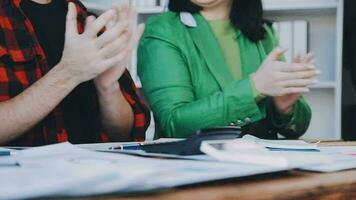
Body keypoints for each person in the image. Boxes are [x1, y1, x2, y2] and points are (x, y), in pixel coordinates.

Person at [138, 0, 318, 139]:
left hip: (259, 171)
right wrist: (254, 88)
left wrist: (284, 107)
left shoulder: (262, 32)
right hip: (193, 173)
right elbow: (174, 123)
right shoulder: (163, 31)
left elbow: (297, 128)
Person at [0, 0, 150, 146]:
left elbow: (124, 133)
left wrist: (108, 88)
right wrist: (68, 73)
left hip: (95, 167)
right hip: (22, 170)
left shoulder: (85, 19)